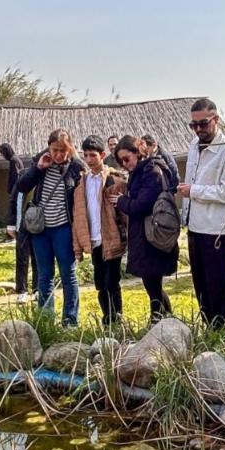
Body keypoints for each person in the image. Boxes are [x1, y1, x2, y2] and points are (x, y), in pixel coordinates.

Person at [178, 98, 225, 330]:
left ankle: (223, 336)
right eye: (193, 125)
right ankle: (209, 333)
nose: (198, 129)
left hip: (218, 229)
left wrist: (194, 191)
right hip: (196, 226)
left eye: (203, 124)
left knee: (219, 290)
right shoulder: (194, 146)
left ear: (216, 120)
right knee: (202, 288)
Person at [17, 129, 85, 328]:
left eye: (62, 151)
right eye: (54, 150)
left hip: (63, 227)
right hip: (41, 229)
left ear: (69, 148)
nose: (58, 155)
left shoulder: (75, 167)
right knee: (45, 275)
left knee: (68, 274)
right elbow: (21, 186)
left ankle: (70, 320)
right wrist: (38, 168)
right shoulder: (40, 160)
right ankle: (46, 319)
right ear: (49, 147)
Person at [112, 135, 178, 322]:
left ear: (138, 153)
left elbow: (143, 205)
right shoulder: (143, 171)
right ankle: (166, 320)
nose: (125, 164)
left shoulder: (152, 171)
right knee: (152, 283)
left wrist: (121, 201)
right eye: (121, 161)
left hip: (152, 234)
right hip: (146, 234)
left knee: (153, 282)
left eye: (127, 159)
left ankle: (158, 321)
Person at [73, 136, 126, 327]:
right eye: (85, 155)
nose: (88, 159)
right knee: (100, 284)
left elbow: (123, 211)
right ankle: (107, 319)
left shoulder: (114, 179)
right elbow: (79, 213)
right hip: (93, 238)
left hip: (110, 237)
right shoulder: (83, 183)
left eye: (93, 155)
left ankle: (116, 319)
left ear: (102, 155)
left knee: (112, 281)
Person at [0, 143, 36, 303]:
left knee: (37, 259)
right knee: (22, 259)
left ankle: (37, 289)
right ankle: (21, 289)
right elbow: (13, 203)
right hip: (22, 227)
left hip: (37, 227)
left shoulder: (39, 185)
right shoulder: (20, 183)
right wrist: (11, 225)